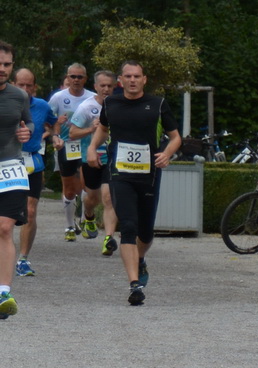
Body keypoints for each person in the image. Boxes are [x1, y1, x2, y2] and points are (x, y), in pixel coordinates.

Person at [89, 62, 180, 305]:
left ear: (144, 79)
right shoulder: (111, 103)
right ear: (120, 80)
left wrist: (167, 153)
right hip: (120, 174)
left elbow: (175, 137)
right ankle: (134, 285)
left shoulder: (158, 104)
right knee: (128, 226)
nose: (132, 80)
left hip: (149, 175)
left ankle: (139, 260)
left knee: (146, 231)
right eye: (128, 76)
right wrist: (91, 147)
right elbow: (103, 129)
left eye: (136, 76)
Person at [0, 43, 34, 318]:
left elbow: (29, 124)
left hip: (10, 166)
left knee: (4, 227)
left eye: (6, 64)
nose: (2, 69)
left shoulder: (19, 95)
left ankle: (3, 293)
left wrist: (26, 133)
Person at [68, 71, 116, 253]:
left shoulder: (119, 105)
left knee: (108, 198)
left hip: (112, 158)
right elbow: (72, 133)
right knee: (93, 198)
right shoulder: (86, 107)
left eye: (109, 86)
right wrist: (91, 129)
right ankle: (88, 215)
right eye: (102, 86)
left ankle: (108, 239)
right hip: (91, 158)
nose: (106, 89)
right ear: (95, 87)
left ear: (115, 87)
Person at [13, 68, 51, 277]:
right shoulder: (6, 102)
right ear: (13, 84)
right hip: (7, 161)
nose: (25, 89)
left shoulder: (43, 106)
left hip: (32, 164)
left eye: (29, 85)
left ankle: (23, 259)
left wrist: (55, 136)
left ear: (35, 87)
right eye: (21, 85)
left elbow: (54, 125)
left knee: (30, 211)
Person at [47, 64, 91, 241]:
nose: (76, 80)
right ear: (67, 77)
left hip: (87, 146)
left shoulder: (92, 98)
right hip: (67, 146)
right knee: (70, 189)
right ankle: (69, 226)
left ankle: (85, 220)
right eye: (73, 76)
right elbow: (49, 120)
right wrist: (55, 135)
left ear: (85, 79)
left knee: (87, 185)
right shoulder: (58, 97)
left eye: (80, 77)